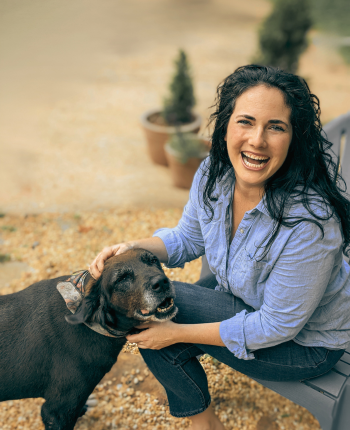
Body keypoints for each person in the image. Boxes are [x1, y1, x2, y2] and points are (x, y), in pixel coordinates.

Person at [89, 65, 350, 430]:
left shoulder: (311, 223)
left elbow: (275, 326)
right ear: (226, 125)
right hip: (249, 300)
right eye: (246, 121)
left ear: (294, 138)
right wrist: (129, 246)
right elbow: (187, 238)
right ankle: (204, 420)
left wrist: (178, 333)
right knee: (152, 312)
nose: (257, 140)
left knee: (159, 309)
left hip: (306, 344)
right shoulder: (216, 172)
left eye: (276, 126)